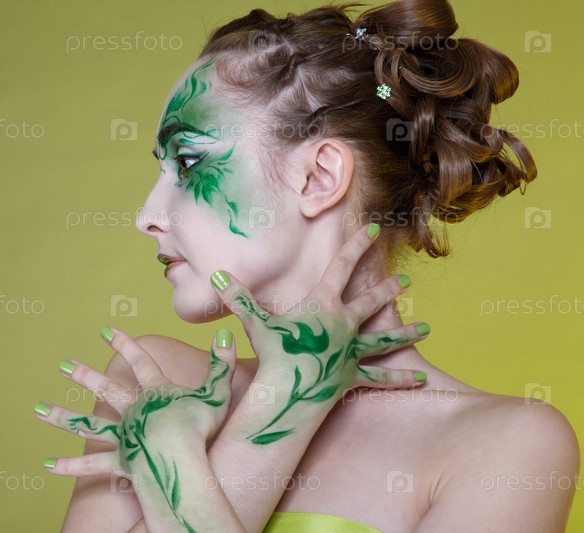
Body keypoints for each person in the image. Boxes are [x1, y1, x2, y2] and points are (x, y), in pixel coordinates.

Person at [36, 1, 579, 531]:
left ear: (319, 178)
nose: (147, 217)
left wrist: (216, 441)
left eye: (189, 161)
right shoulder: (154, 381)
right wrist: (284, 397)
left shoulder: (508, 444)